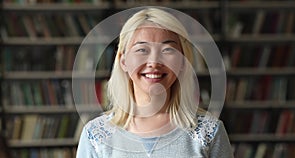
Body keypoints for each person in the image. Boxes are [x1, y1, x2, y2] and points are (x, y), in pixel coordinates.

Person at [76, 7, 233, 158]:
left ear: (183, 62)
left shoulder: (209, 131)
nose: (154, 62)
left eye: (167, 50)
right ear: (123, 61)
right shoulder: (95, 135)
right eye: (142, 50)